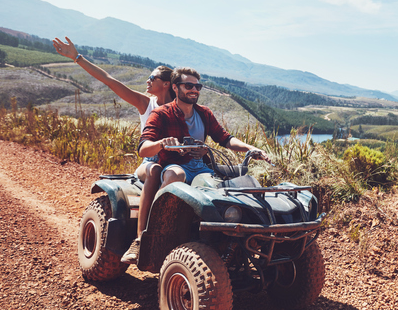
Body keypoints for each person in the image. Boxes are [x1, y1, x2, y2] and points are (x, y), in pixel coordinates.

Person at [123, 67, 270, 263]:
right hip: (173, 164)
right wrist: (161, 144)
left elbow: (225, 139)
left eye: (197, 86)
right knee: (175, 175)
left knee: (224, 187)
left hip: (201, 167)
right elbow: (143, 148)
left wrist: (250, 148)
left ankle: (231, 237)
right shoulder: (161, 114)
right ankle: (153, 230)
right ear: (175, 87)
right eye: (189, 86)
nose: (194, 90)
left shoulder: (204, 113)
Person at [51, 36, 174, 264]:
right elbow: (109, 80)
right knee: (156, 170)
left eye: (152, 77)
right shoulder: (146, 104)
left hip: (177, 165)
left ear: (166, 84)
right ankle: (142, 239)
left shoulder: (181, 108)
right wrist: (77, 57)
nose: (147, 81)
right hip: (151, 164)